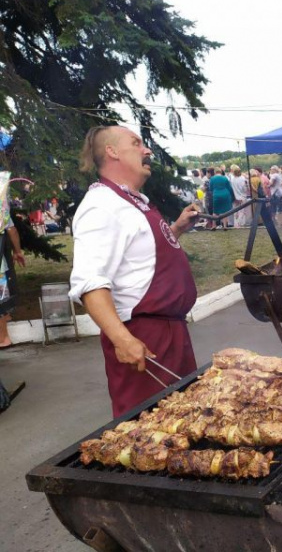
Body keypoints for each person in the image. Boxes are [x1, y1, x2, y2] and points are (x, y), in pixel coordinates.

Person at [70, 125, 201, 416]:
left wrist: (176, 229)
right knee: (149, 435)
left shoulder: (130, 201)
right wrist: (123, 339)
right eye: (136, 144)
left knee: (186, 424)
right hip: (145, 339)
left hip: (171, 333)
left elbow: (138, 260)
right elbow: (90, 282)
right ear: (112, 152)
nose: (147, 150)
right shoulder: (101, 206)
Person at [0, 216, 26, 348]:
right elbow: (11, 230)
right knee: (1, 297)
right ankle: (3, 338)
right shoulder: (1, 206)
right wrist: (17, 251)